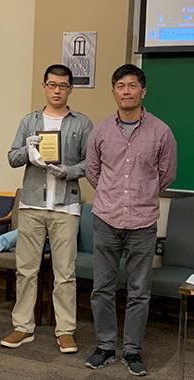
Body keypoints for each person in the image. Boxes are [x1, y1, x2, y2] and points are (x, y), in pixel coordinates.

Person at [84, 64, 177, 376]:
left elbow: (166, 175)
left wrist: (140, 195)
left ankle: (133, 351)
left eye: (132, 85)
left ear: (143, 91)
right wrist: (114, 196)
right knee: (102, 288)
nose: (126, 91)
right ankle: (106, 346)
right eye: (120, 86)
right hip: (106, 219)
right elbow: (93, 172)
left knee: (139, 291)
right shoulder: (100, 131)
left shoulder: (161, 132)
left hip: (143, 222)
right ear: (113, 92)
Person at [0, 64, 93, 353]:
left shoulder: (82, 123)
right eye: (52, 84)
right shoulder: (29, 121)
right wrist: (28, 150)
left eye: (63, 85)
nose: (57, 90)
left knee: (64, 272)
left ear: (69, 89)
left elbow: (91, 164)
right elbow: (12, 158)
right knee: (26, 269)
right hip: (31, 204)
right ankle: (22, 327)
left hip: (66, 206)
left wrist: (68, 170)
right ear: (44, 86)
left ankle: (65, 330)